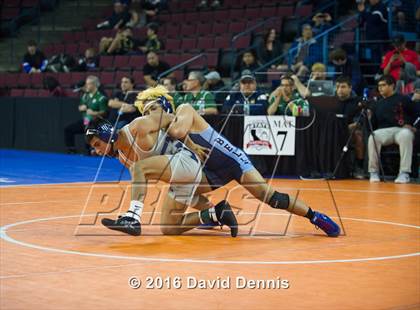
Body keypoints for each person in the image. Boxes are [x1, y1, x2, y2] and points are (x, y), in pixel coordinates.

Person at [137, 90, 341, 238]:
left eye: (153, 109)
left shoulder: (184, 109)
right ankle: (214, 214)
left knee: (272, 198)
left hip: (233, 161)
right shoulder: (160, 134)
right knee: (170, 219)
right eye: (146, 113)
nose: (150, 116)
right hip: (209, 171)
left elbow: (178, 132)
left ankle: (315, 216)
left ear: (165, 105)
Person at [86, 88, 238, 237]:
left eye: (98, 145)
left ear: (108, 136)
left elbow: (170, 117)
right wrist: (205, 206)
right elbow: (156, 174)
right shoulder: (122, 157)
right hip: (180, 173)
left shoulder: (138, 127)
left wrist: (191, 145)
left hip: (186, 159)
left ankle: (132, 218)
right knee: (170, 227)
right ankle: (217, 213)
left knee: (139, 168)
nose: (97, 151)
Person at [368, 75, 417, 183]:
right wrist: (369, 116)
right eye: (379, 86)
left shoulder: (404, 99)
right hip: (384, 131)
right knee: (373, 136)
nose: (380, 88)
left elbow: (417, 114)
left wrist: (414, 126)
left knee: (406, 135)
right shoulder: (376, 104)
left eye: (383, 85)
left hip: (401, 130)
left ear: (392, 86)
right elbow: (372, 125)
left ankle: (404, 173)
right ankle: (374, 172)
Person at [64, 76, 108, 154]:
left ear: (94, 85)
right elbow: (80, 107)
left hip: (96, 121)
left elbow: (104, 112)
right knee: (68, 129)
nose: (86, 86)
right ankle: (71, 150)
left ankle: (90, 151)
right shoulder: (85, 96)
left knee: (89, 128)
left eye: (88, 84)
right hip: (86, 120)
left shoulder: (101, 97)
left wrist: (94, 113)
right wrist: (82, 108)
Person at [335, 75, 365, 179]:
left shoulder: (358, 101)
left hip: (349, 131)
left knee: (358, 135)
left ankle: (359, 167)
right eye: (337, 87)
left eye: (343, 87)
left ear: (350, 88)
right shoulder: (331, 101)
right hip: (333, 131)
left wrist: (348, 127)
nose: (339, 90)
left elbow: (359, 120)